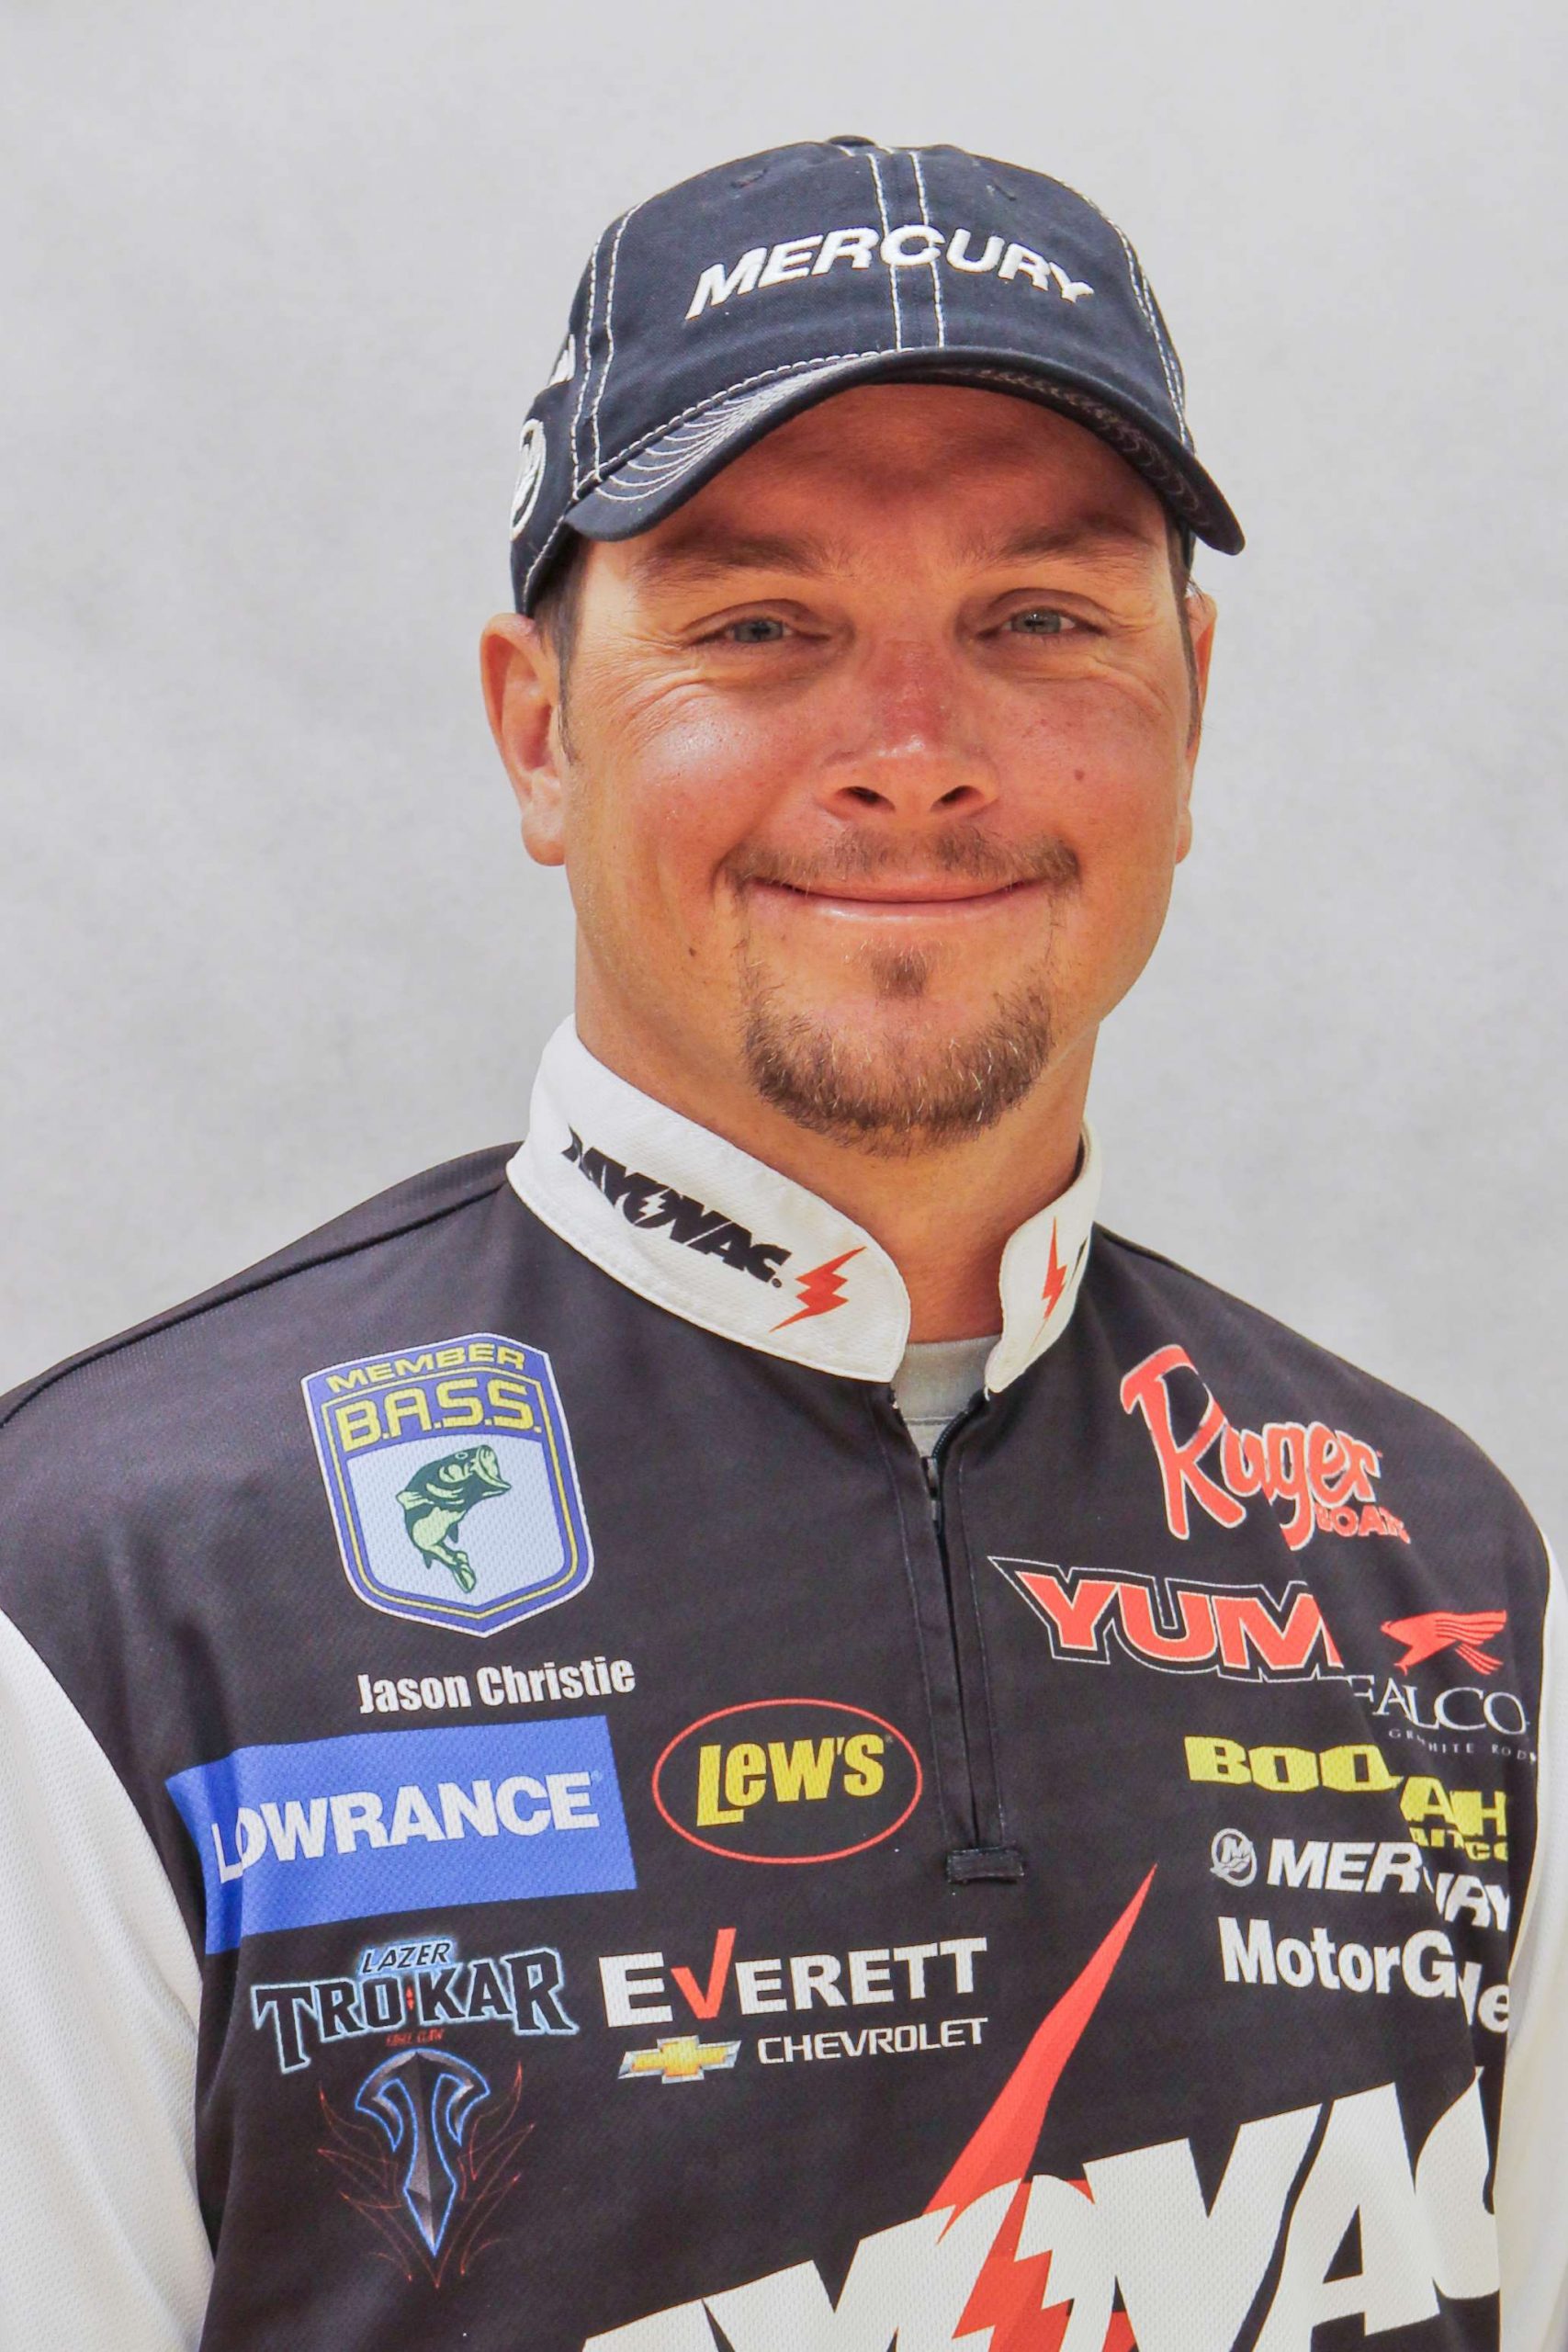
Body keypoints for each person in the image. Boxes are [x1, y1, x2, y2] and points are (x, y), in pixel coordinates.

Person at [1, 136, 1562, 2352]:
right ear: (537, 732)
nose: (911, 757)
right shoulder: (106, 1588)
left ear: (1189, 706)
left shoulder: (1440, 1568)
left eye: (1035, 621)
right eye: (758, 627)